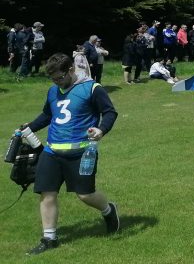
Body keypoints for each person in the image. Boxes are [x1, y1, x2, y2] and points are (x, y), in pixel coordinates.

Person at [19, 53, 120, 254]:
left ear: (71, 70)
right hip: (52, 151)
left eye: (60, 78)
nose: (57, 82)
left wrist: (101, 129)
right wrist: (30, 127)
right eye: (53, 79)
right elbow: (49, 115)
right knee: (47, 193)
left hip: (82, 152)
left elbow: (109, 112)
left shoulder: (92, 88)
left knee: (85, 195)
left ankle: (109, 210)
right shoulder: (52, 91)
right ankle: (49, 239)